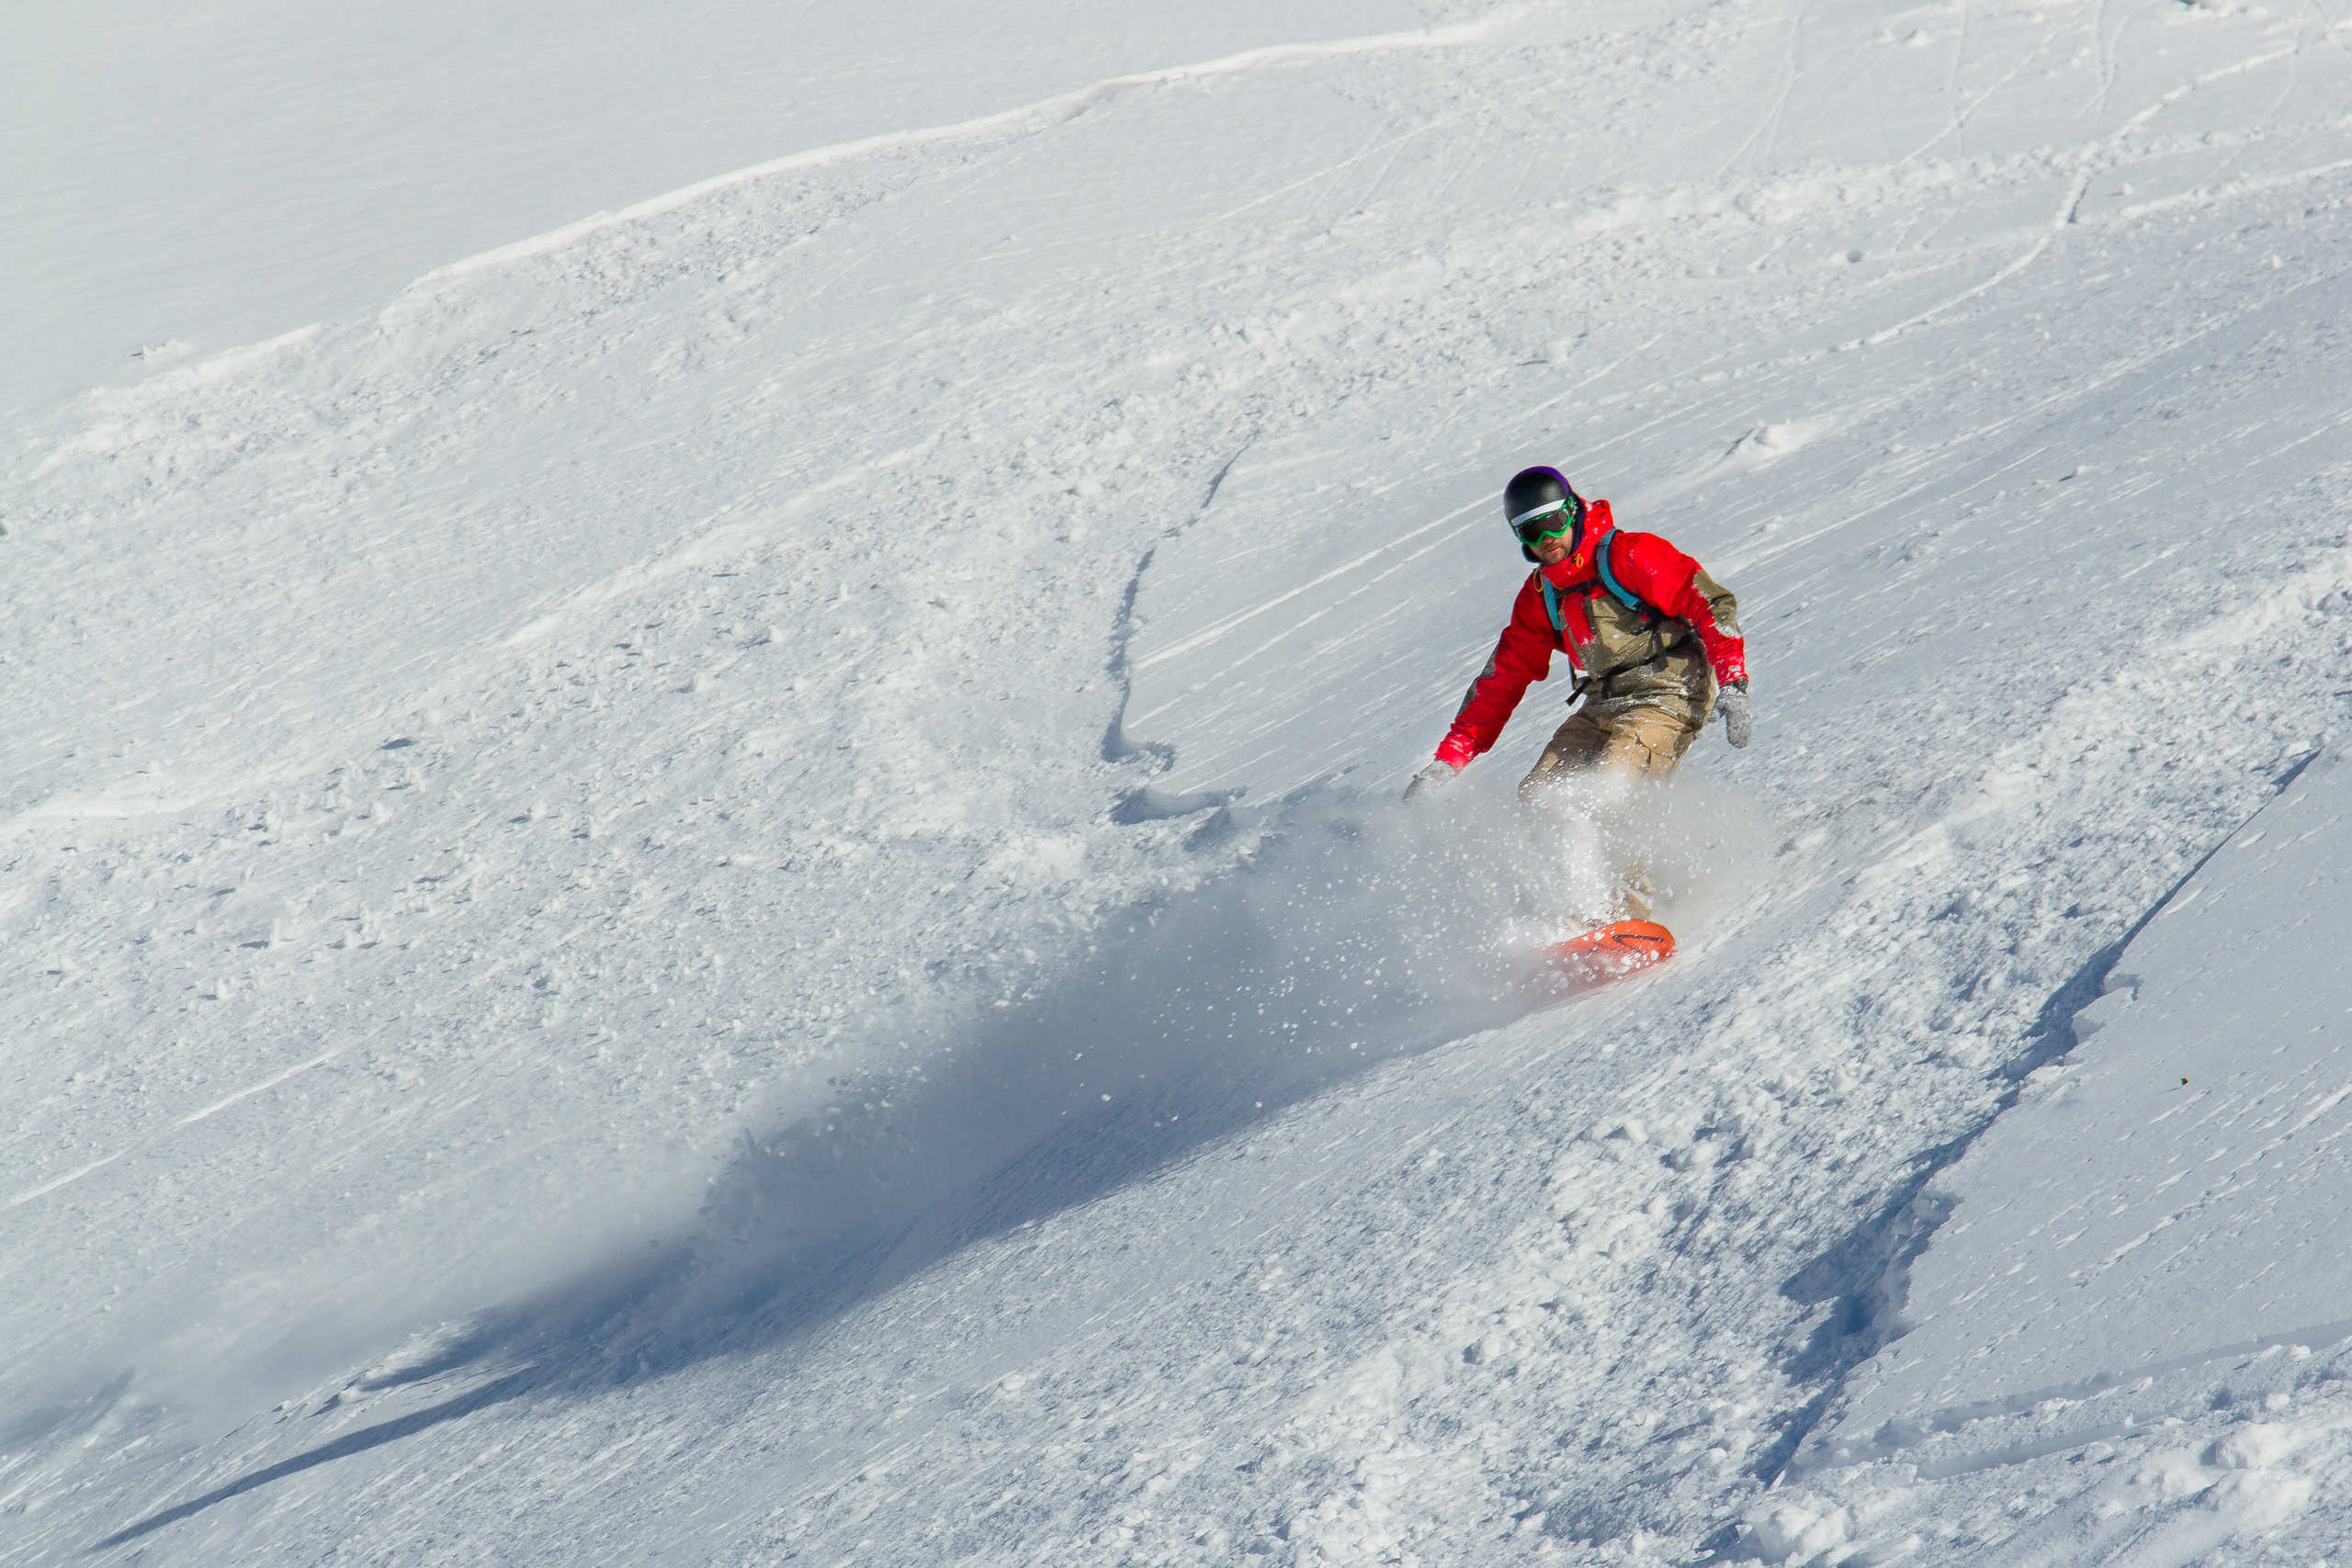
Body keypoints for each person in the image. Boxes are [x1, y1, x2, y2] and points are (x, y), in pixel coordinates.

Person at [1405, 466, 1750, 919]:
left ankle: (1630, 914)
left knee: (1612, 785)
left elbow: (1707, 601)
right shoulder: (1541, 594)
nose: (1546, 537)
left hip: (1670, 688)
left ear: (1572, 510)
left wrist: (1734, 682)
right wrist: (1449, 759)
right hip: (1604, 701)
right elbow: (1504, 676)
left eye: (1553, 521)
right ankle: (1577, 909)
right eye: (1530, 530)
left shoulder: (1629, 556)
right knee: (1540, 795)